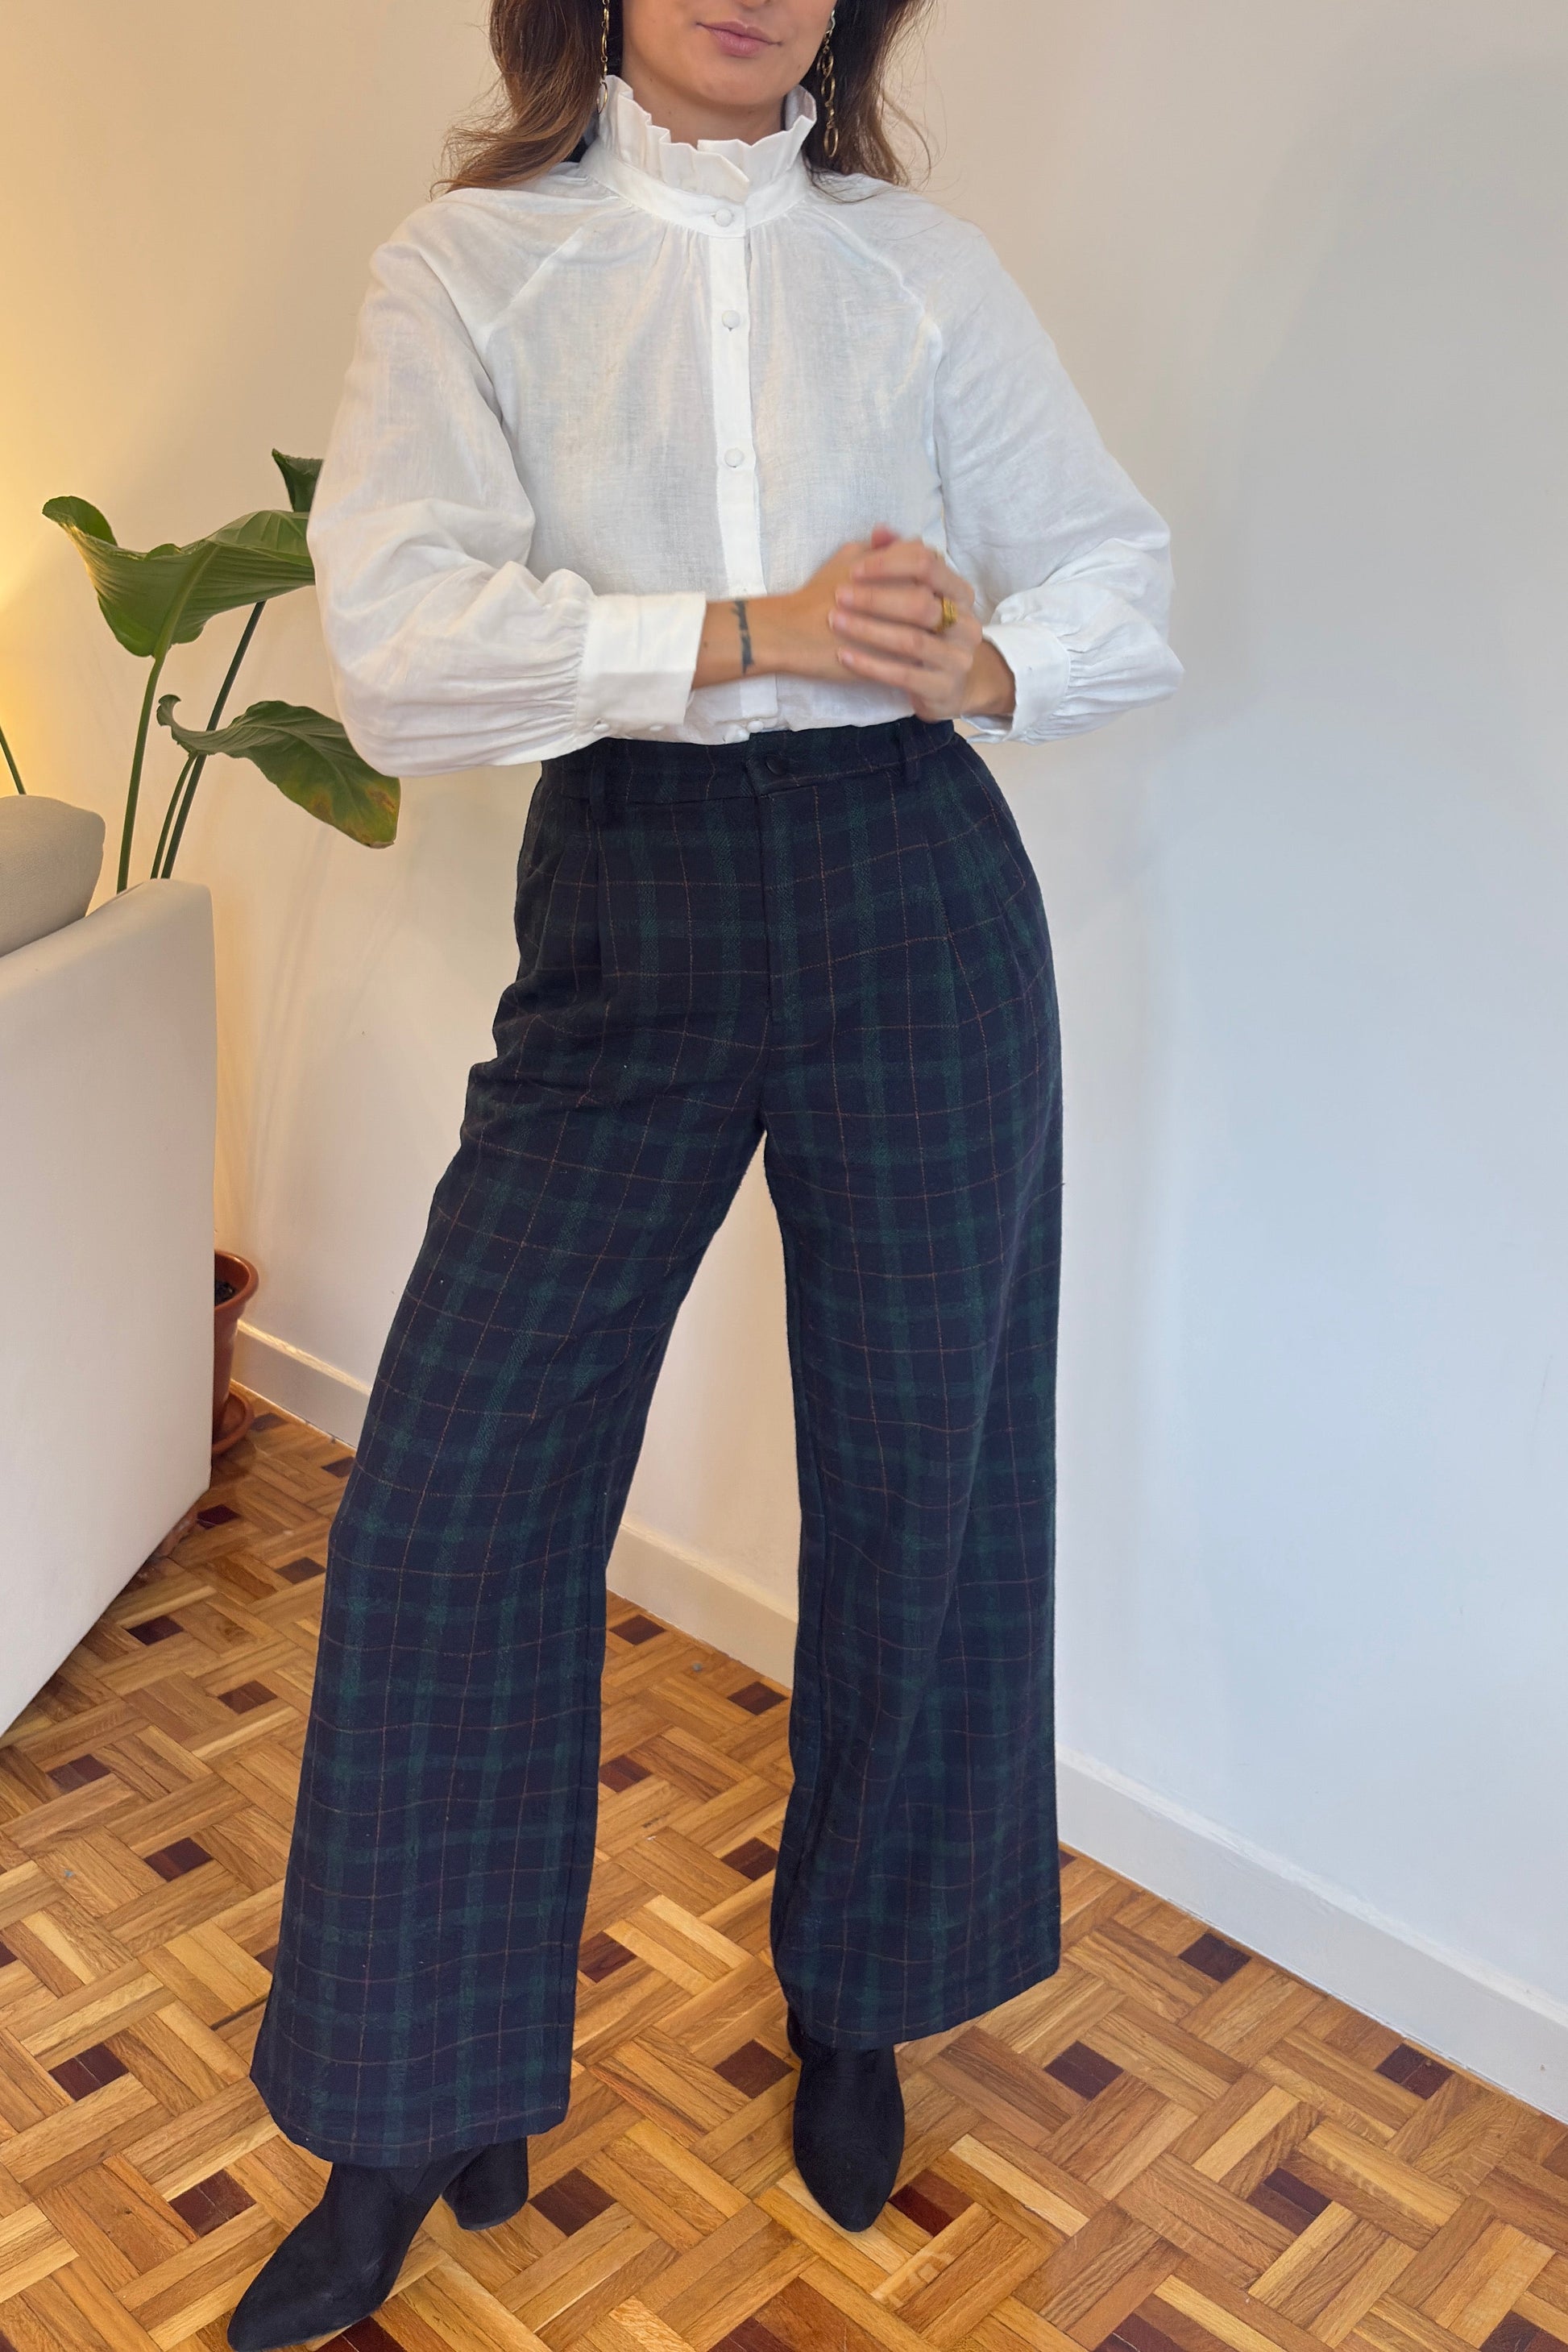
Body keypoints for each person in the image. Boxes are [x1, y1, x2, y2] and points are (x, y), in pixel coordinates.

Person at [229, 0, 1183, 2342]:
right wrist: (750, 632)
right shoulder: (472, 268)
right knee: (452, 1504)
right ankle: (410, 2105)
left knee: (924, 1479)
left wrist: (978, 662)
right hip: (630, 897)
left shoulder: (917, 270)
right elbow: (401, 653)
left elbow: (1115, 575)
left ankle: (861, 1996)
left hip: (913, 894)